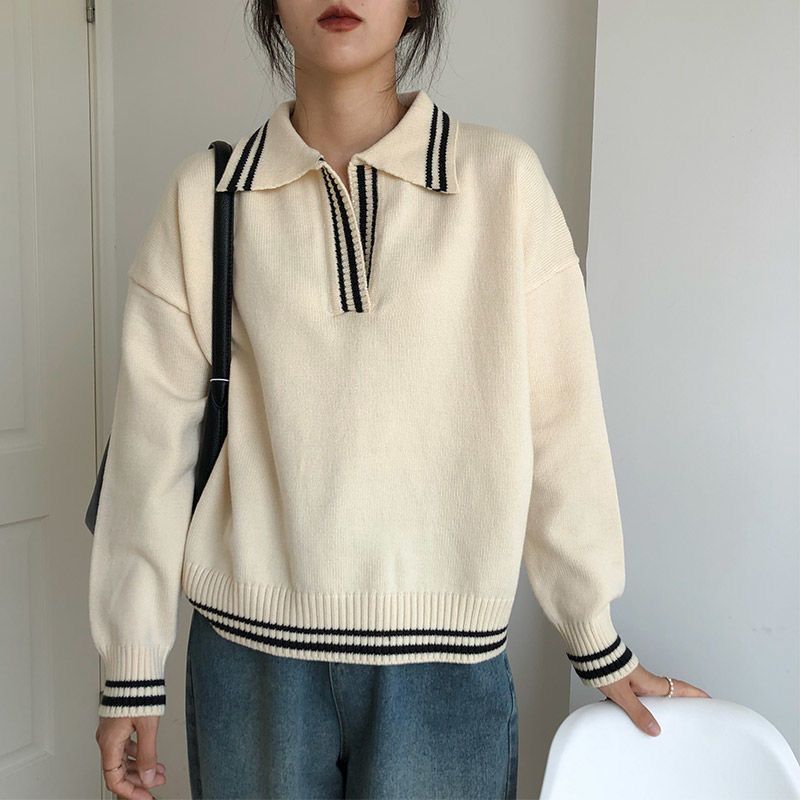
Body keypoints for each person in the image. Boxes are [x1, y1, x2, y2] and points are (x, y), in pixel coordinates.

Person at [90, 1, 710, 798]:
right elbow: (148, 454)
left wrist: (594, 634)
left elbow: (562, 426)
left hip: (444, 665)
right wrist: (130, 669)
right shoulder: (205, 198)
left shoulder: (502, 183)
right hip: (250, 663)